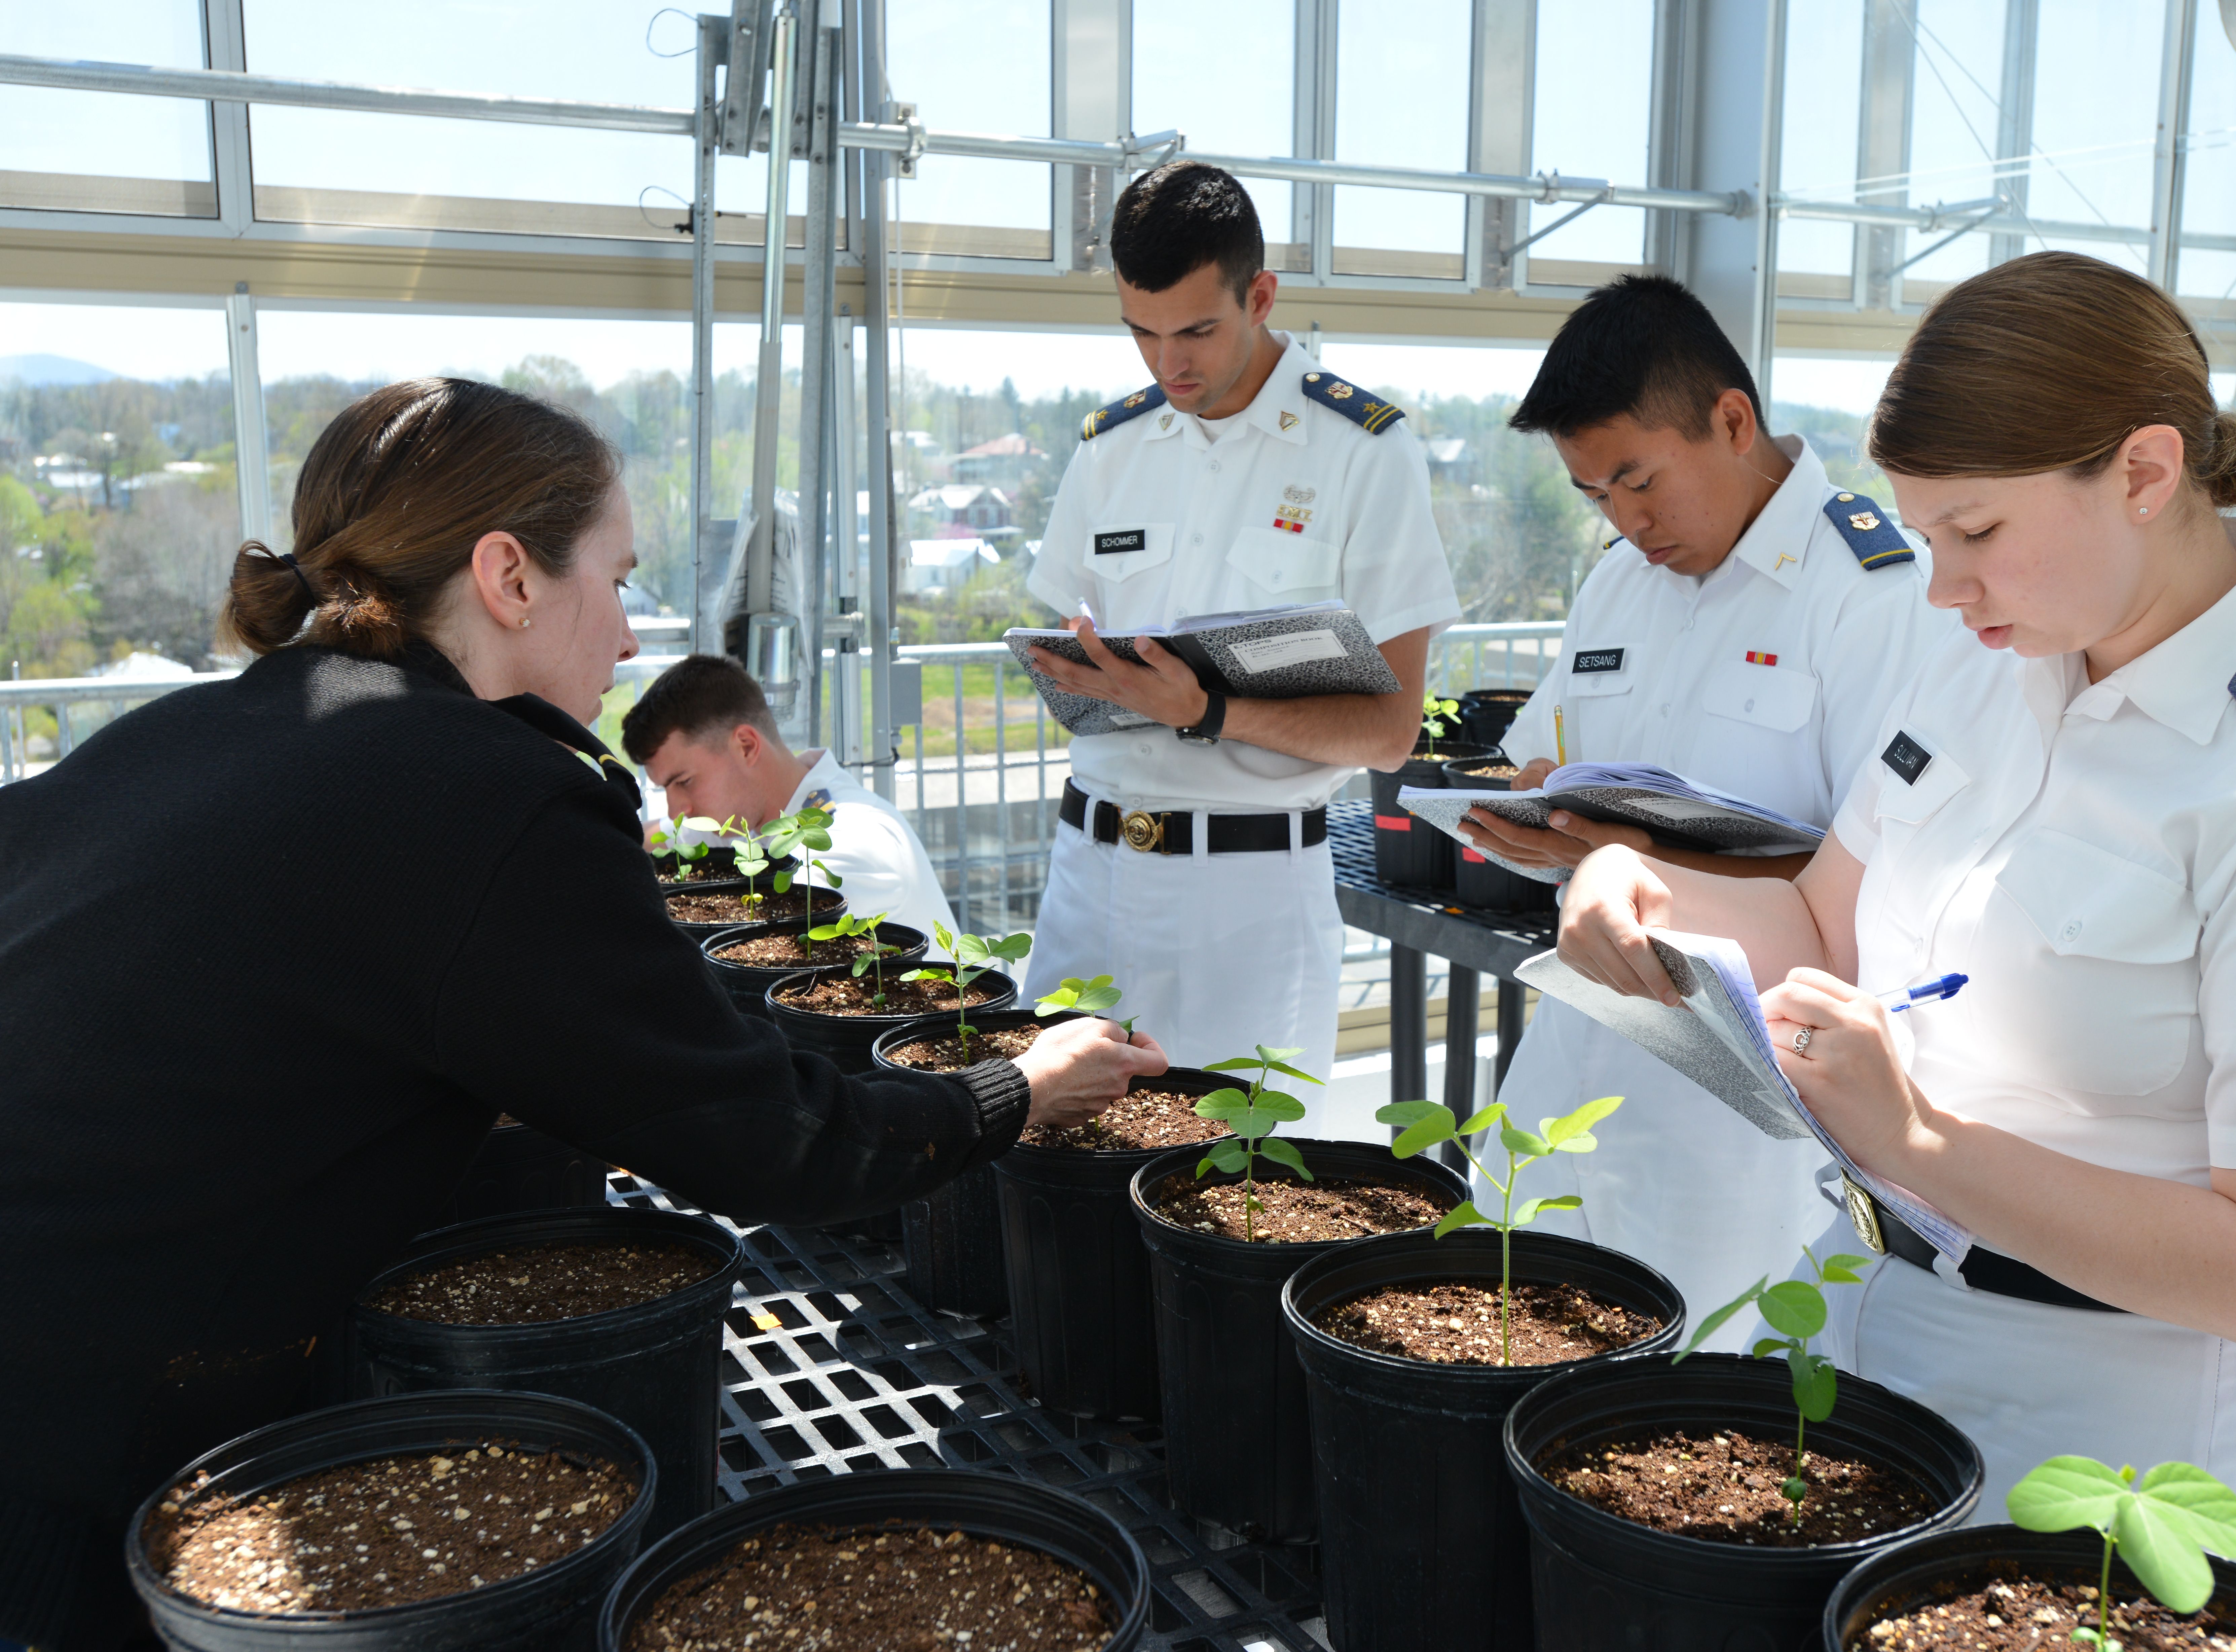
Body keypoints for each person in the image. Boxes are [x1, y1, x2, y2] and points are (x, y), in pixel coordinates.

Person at [0, 378, 1164, 1652]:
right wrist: (1016, 1088)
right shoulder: (482, 794)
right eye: (615, 579)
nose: (624, 639)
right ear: (508, 575)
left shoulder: (183, 730)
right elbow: (764, 1140)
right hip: (70, 1426)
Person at [1552, 250, 2236, 1575]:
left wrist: (1919, 1140)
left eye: (1974, 533)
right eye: (1926, 536)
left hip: (2111, 1447)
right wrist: (1636, 887)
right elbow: (1821, 928)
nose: (1941, 585)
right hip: (1868, 1336)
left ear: (2145, 475)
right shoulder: (1989, 666)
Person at [1455, 273, 1957, 1321]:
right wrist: (1536, 812)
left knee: (1692, 1405)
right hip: (1575, 1041)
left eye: (1637, 480)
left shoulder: (1874, 592)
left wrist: (1657, 861)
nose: (1625, 519)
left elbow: (1892, 880)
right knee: (1507, 1336)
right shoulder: (1617, 583)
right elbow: (1550, 756)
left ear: (1731, 420)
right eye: (1594, 495)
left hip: (1734, 1094)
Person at [1018, 160, 1461, 1088]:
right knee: (1048, 1179)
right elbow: (1073, 622)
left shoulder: (1364, 454)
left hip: (1245, 907)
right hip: (1088, 877)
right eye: (1141, 334)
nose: (1168, 363)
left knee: (1236, 1206)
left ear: (1260, 295)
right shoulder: (1113, 448)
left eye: (1197, 331)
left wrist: (1205, 710)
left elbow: (1389, 733)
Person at [623, 652, 957, 943]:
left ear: (746, 747)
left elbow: (758, 940)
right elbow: (651, 836)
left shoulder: (853, 839)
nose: (677, 808)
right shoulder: (740, 817)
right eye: (665, 788)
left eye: (684, 781)